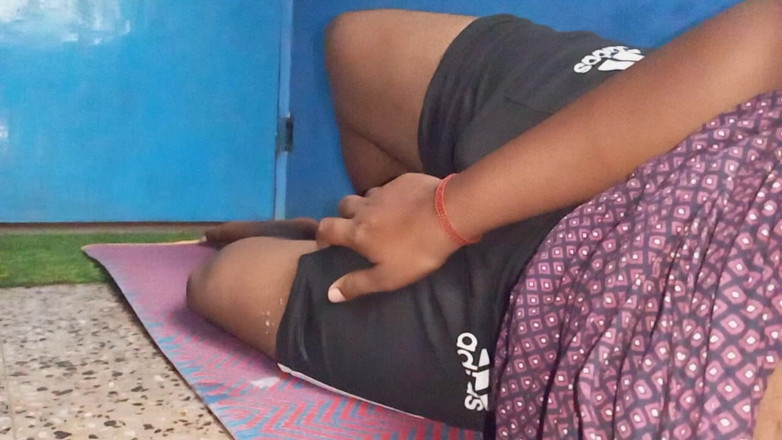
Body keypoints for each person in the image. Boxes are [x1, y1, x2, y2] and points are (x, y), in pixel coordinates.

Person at [186, 0, 782, 436]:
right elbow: (770, 32)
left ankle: (344, 240)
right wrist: (444, 214)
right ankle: (383, 227)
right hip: (673, 137)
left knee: (224, 279)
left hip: (546, 335)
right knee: (353, 44)